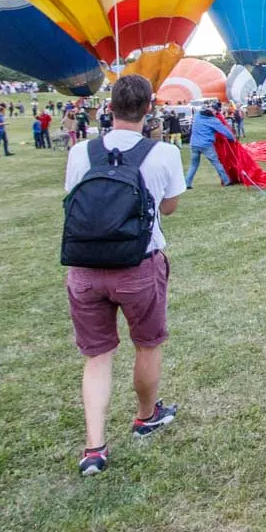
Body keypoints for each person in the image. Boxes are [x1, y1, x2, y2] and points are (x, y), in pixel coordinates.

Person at [62, 74, 184, 476]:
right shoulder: (162, 153)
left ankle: (94, 447)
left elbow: (72, 201)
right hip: (138, 265)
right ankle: (146, 416)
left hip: (85, 268)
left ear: (108, 107)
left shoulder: (82, 151)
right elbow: (169, 208)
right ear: (149, 108)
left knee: (97, 356)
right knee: (147, 345)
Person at [185, 105, 232, 188]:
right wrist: (232, 138)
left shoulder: (197, 116)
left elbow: (197, 111)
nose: (216, 113)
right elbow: (224, 131)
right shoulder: (213, 121)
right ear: (212, 112)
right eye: (215, 112)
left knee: (193, 165)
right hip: (206, 145)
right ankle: (226, 181)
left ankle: (187, 183)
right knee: (216, 163)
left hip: (194, 144)